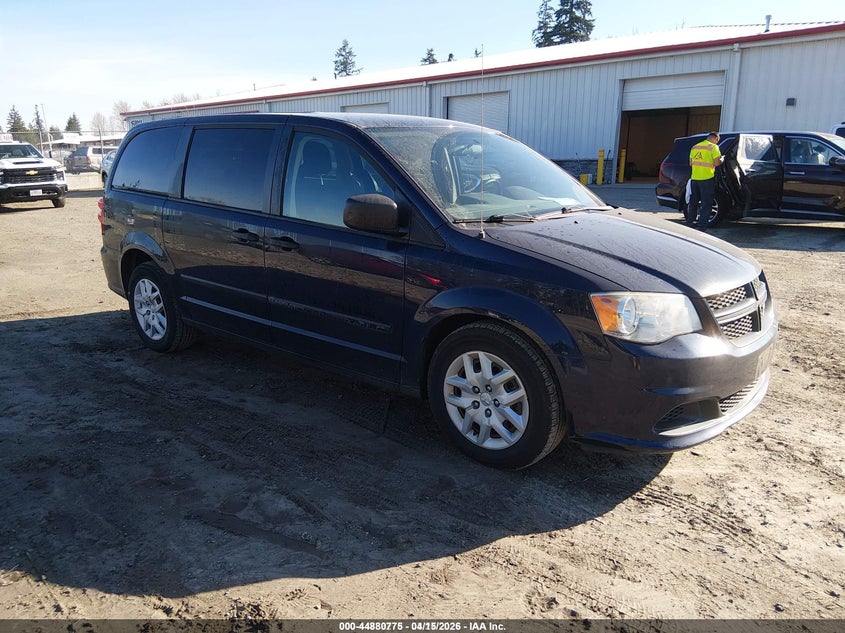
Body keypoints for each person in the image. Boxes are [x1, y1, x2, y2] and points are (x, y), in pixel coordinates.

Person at [688, 131, 723, 230]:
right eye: (717, 141)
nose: (717, 143)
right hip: (706, 179)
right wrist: (722, 160)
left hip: (694, 179)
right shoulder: (713, 147)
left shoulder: (695, 147)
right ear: (715, 139)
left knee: (693, 202)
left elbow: (691, 163)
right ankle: (702, 226)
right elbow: (716, 163)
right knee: (706, 203)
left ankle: (690, 222)